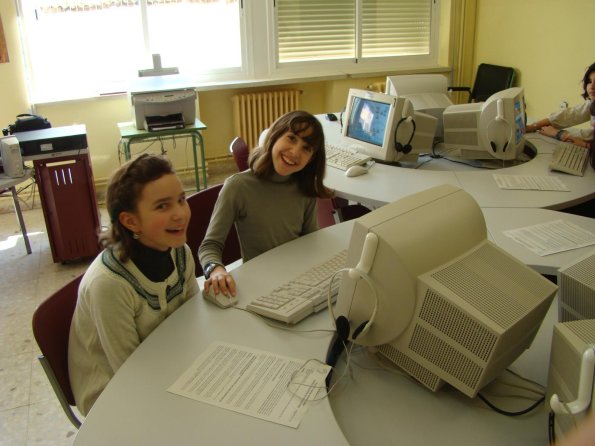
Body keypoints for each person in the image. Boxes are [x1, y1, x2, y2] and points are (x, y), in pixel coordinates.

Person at [68, 154, 198, 416]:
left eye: (181, 200)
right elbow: (130, 370)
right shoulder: (110, 284)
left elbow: (194, 317)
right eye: (162, 206)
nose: (180, 214)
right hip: (112, 394)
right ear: (130, 221)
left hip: (168, 362)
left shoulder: (180, 251)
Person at [199, 110, 333, 297]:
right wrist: (216, 270)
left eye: (306, 148)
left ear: (312, 159)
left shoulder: (305, 189)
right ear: (275, 136)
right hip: (259, 284)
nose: (295, 152)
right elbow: (209, 245)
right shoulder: (238, 187)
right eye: (292, 138)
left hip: (297, 281)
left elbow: (309, 241)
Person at [526, 62, 595, 146]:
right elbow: (570, 115)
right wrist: (533, 126)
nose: (591, 87)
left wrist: (559, 134)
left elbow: (590, 145)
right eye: (589, 81)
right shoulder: (592, 103)